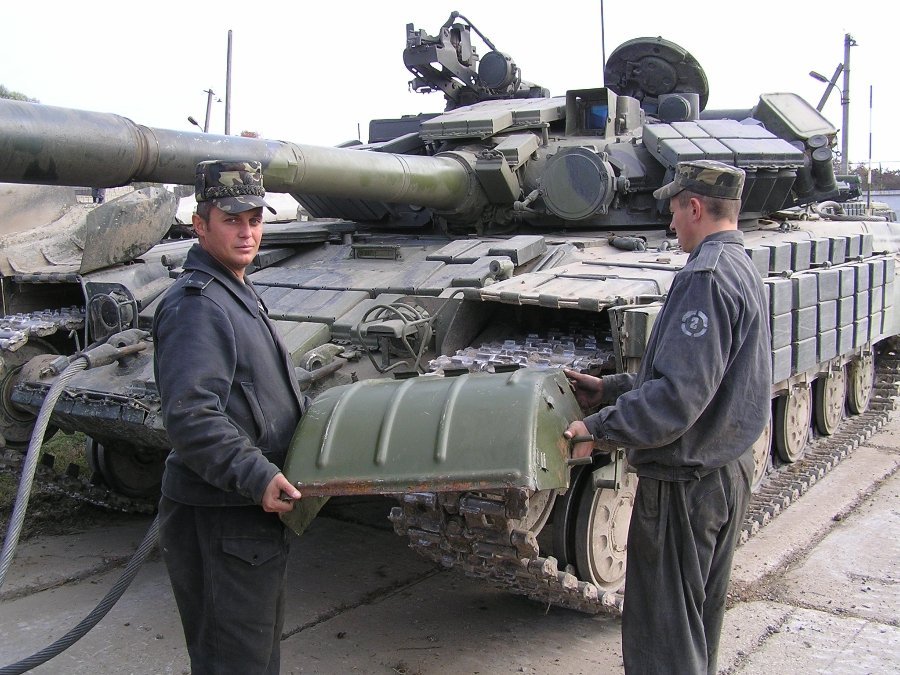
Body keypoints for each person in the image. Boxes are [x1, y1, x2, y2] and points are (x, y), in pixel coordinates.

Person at [564, 160, 771, 675]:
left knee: (664, 640)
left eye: (674, 210)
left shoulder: (705, 277)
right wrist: (611, 390)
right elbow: (707, 379)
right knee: (694, 627)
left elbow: (678, 398)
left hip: (685, 485)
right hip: (723, 468)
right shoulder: (739, 264)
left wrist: (598, 428)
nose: (670, 222)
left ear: (694, 207)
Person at [153, 160, 307, 674]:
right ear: (200, 225)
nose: (247, 233)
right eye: (232, 220)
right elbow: (192, 416)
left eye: (255, 220)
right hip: (222, 514)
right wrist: (257, 475)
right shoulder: (198, 305)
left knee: (253, 660)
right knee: (234, 663)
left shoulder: (232, 289)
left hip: (244, 512)